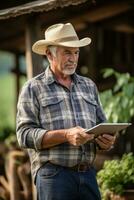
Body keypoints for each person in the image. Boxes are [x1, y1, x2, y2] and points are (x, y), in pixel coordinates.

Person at [16, 23, 116, 200]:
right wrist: (66, 135)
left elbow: (102, 125)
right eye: (67, 52)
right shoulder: (33, 88)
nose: (73, 58)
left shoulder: (88, 86)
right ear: (49, 54)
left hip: (88, 175)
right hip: (54, 177)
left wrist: (106, 141)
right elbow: (24, 135)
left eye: (76, 52)